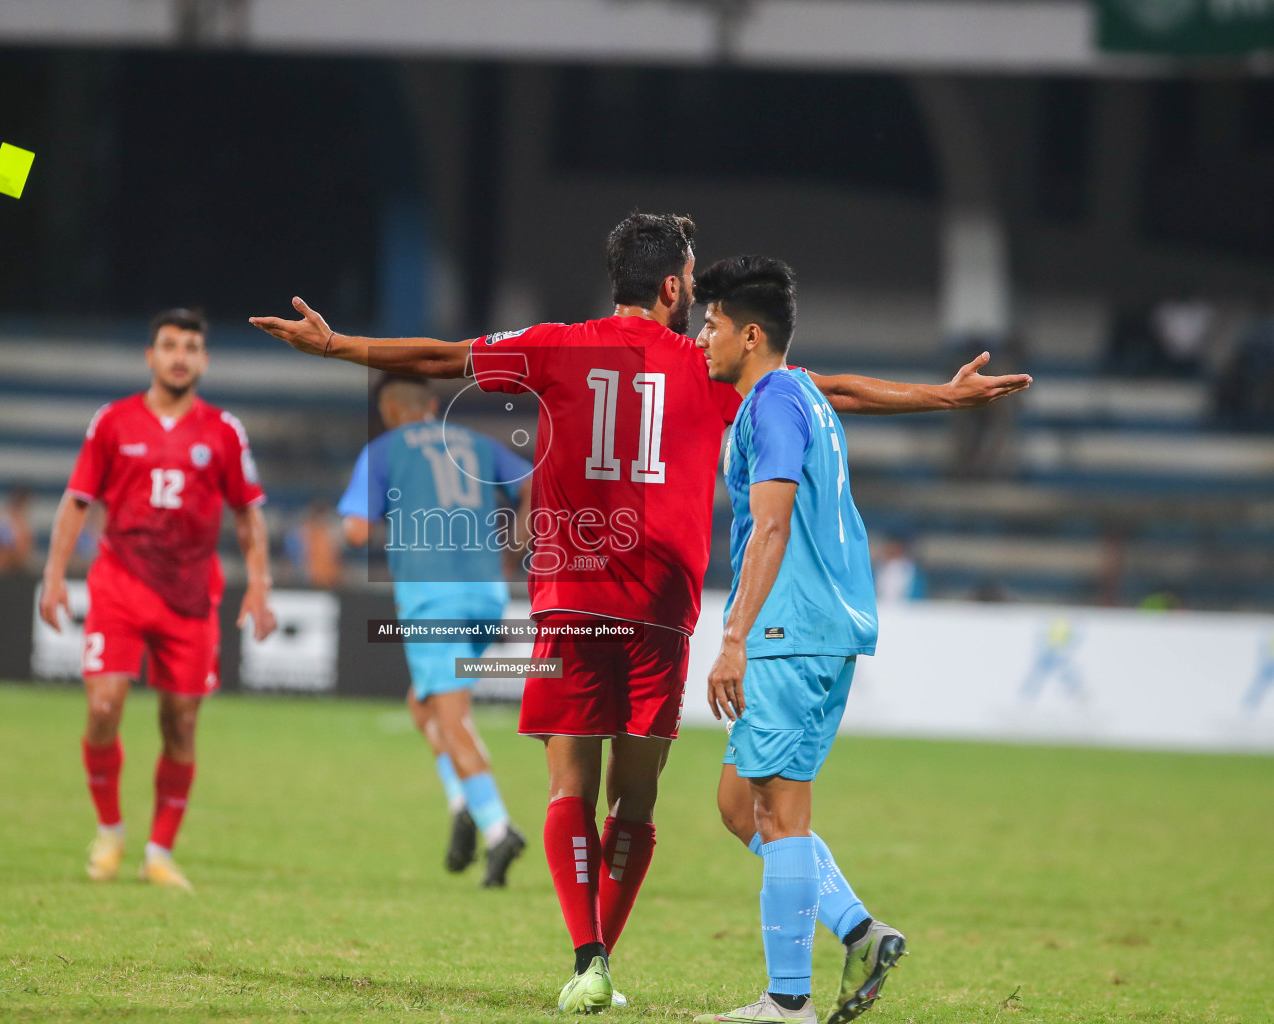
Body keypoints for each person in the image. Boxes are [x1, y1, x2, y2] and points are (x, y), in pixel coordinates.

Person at [251, 212, 1029, 1012]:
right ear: (669, 287)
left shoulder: (553, 344)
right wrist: (942, 396)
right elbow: (827, 391)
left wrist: (339, 346)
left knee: (567, 789)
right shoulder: (706, 368)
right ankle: (618, 960)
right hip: (661, 611)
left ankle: (589, 958)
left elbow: (444, 358)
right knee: (639, 802)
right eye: (692, 281)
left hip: (572, 598)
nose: (698, 296)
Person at [696, 256, 903, 1024]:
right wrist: (946, 396)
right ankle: (857, 929)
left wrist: (734, 637)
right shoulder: (805, 393)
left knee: (781, 816)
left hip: (787, 628)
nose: (701, 337)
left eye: (711, 325)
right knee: (737, 805)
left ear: (750, 335)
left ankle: (788, 1003)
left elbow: (772, 524)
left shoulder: (772, 406)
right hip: (824, 628)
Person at [40, 308, 277, 892]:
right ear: (151, 356)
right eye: (169, 345)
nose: (179, 356)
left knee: (181, 722)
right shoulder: (113, 422)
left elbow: (248, 514)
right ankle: (111, 830)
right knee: (102, 708)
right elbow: (76, 501)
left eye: (190, 347)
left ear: (204, 360)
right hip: (119, 583)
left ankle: (160, 851)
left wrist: (262, 583)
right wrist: (52, 576)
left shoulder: (224, 430)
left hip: (191, 596)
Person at [337, 373, 533, 886]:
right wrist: (511, 552)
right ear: (430, 404)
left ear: (388, 410)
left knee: (451, 718)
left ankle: (497, 829)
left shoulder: (382, 451)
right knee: (421, 705)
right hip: (487, 594)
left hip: (433, 597)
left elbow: (354, 530)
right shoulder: (476, 442)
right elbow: (535, 486)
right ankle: (463, 804)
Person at [0, 485, 35, 574]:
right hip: (5, 564)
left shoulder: (26, 519)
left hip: (20, 564)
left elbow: (28, 545)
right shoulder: (4, 517)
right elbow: (2, 544)